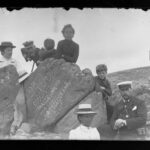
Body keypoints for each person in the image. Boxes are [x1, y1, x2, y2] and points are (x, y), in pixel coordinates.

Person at [0, 41, 28, 135]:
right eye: (8, 50)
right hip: (2, 90)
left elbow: (21, 72)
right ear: (2, 51)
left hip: (15, 88)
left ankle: (15, 127)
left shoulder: (15, 61)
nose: (10, 52)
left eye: (11, 50)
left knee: (18, 106)